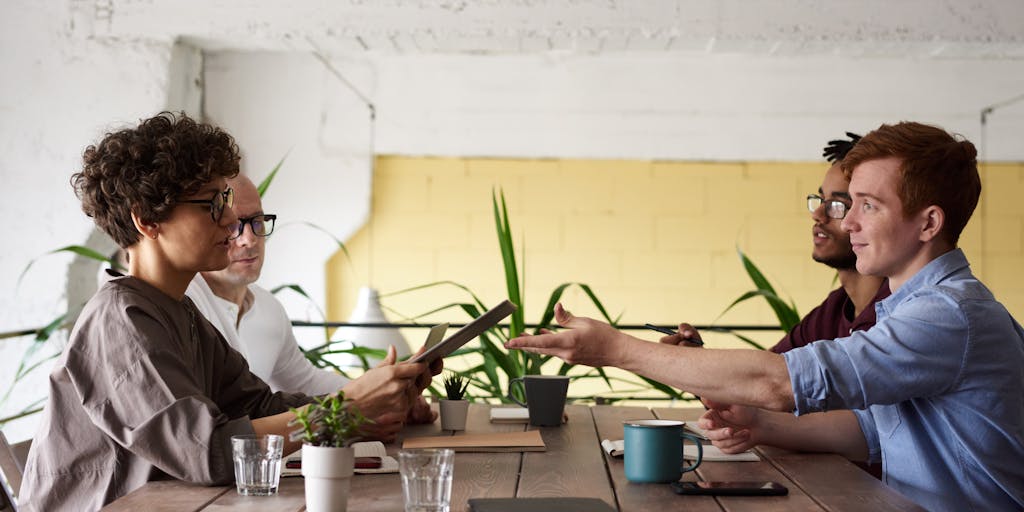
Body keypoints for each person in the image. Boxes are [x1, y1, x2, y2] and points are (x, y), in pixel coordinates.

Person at [507, 122, 1024, 510]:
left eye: (868, 205)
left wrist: (615, 349)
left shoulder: (947, 315)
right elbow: (869, 431)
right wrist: (759, 423)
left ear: (929, 222)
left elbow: (779, 381)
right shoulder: (912, 307)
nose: (849, 222)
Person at [18, 112, 432, 511]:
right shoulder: (122, 319)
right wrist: (346, 407)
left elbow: (258, 407)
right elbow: (209, 453)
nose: (233, 219)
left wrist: (370, 405)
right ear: (147, 220)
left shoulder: (178, 311)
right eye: (213, 204)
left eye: (228, 200)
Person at [186, 174, 437, 441]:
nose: (249, 239)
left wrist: (382, 393)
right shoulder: (187, 304)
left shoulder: (269, 308)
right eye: (234, 226)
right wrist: (351, 412)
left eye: (257, 222)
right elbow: (206, 431)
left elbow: (305, 380)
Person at [662, 133, 890, 353]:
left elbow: (771, 382)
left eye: (838, 204)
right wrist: (694, 360)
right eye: (820, 200)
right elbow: (764, 374)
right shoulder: (834, 309)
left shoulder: (898, 314)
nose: (818, 214)